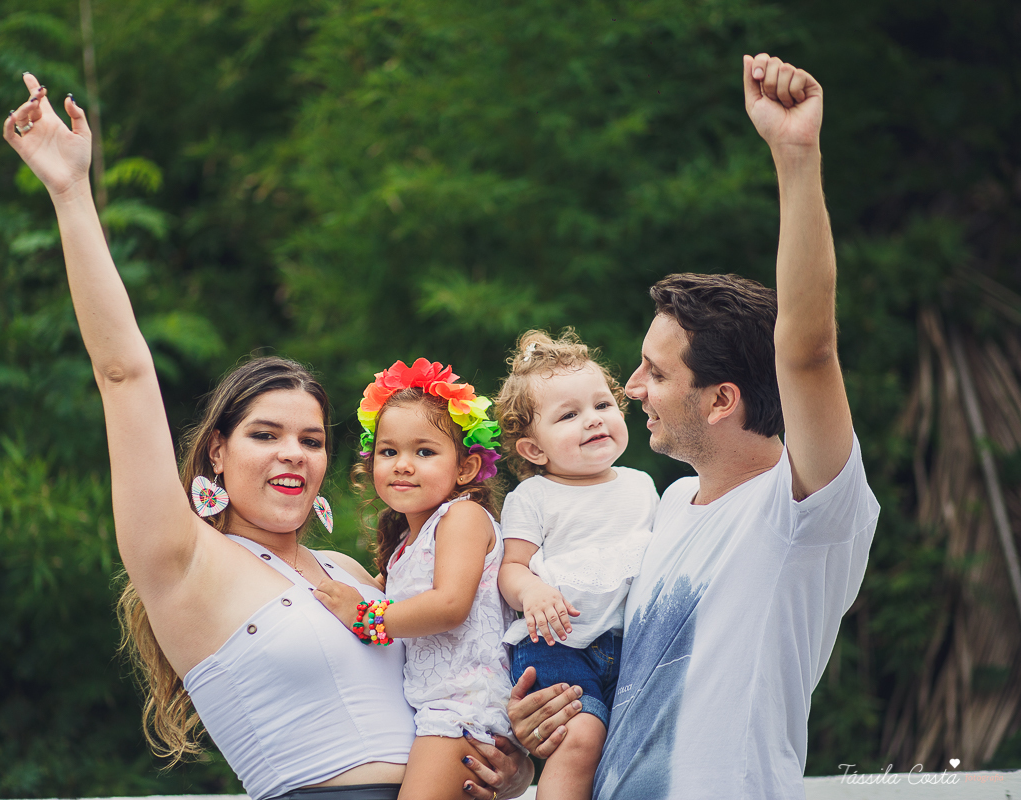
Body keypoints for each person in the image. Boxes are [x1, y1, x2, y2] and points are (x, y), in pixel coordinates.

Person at [2, 74, 532, 800]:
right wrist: (69, 192)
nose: (294, 453)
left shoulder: (355, 574)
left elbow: (450, 680)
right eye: (266, 434)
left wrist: (507, 772)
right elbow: (122, 372)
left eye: (312, 440)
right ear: (217, 451)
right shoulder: (185, 559)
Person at [507, 54, 882, 800]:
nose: (632, 387)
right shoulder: (662, 509)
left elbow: (807, 351)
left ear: (722, 401)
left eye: (656, 371)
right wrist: (531, 742)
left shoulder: (804, 507)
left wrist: (796, 157)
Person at [314, 358, 517, 800]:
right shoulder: (409, 540)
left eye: (424, 452)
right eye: (389, 451)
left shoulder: (462, 517)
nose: (403, 464)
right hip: (435, 710)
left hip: (464, 709)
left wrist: (364, 617)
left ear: (465, 468)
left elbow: (449, 606)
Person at [492, 330, 658, 800]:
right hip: (554, 643)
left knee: (626, 745)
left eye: (603, 406)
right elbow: (512, 568)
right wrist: (533, 593)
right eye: (569, 415)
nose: (593, 420)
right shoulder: (534, 497)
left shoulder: (642, 486)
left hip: (624, 644)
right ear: (534, 450)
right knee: (579, 738)